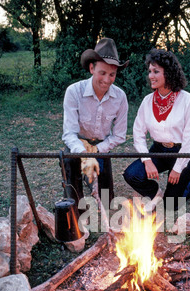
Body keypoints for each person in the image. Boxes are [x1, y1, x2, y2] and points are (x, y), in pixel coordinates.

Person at [123, 48, 190, 212]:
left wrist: (178, 168)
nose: (151, 76)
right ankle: (157, 193)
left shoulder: (187, 101)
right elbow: (138, 133)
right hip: (157, 150)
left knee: (169, 207)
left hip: (181, 153)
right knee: (131, 174)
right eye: (150, 71)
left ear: (169, 73)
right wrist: (147, 160)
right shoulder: (147, 101)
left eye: (156, 71)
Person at [62, 37, 129, 208]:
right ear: (92, 68)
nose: (107, 80)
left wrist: (97, 150)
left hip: (101, 145)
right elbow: (69, 133)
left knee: (107, 200)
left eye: (112, 74)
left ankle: (92, 179)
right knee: (70, 162)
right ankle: (74, 201)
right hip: (78, 142)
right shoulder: (74, 91)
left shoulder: (120, 97)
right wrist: (84, 154)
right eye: (102, 73)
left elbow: (120, 136)